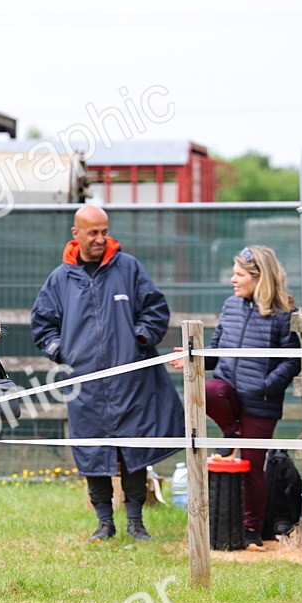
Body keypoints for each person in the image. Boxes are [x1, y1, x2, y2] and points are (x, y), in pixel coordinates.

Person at [30, 204, 183, 542]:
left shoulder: (128, 268)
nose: (100, 239)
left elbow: (155, 309)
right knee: (92, 449)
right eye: (93, 233)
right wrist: (61, 351)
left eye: (104, 232)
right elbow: (42, 324)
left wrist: (140, 338)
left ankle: (135, 522)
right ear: (76, 234)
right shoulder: (60, 279)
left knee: (133, 449)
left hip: (130, 382)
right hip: (85, 385)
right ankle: (104, 523)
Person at [170, 246, 300, 551]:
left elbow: (292, 360)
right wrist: (192, 358)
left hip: (261, 403)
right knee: (208, 389)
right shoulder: (230, 306)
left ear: (259, 277)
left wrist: (266, 385)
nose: (233, 279)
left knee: (252, 466)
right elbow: (215, 351)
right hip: (228, 393)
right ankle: (232, 432)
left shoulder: (283, 314)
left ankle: (252, 530)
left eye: (239, 274)